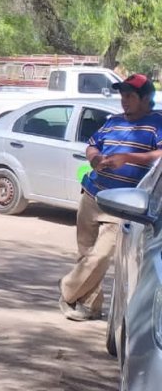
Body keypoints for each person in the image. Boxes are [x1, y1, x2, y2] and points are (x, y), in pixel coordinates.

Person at [58, 73, 162, 321]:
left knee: (101, 256)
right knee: (86, 254)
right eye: (122, 95)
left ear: (146, 98)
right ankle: (89, 308)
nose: (124, 101)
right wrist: (94, 157)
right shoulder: (112, 121)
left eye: (130, 96)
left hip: (124, 204)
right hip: (92, 195)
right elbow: (93, 144)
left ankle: (67, 290)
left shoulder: (157, 122)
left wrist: (127, 158)